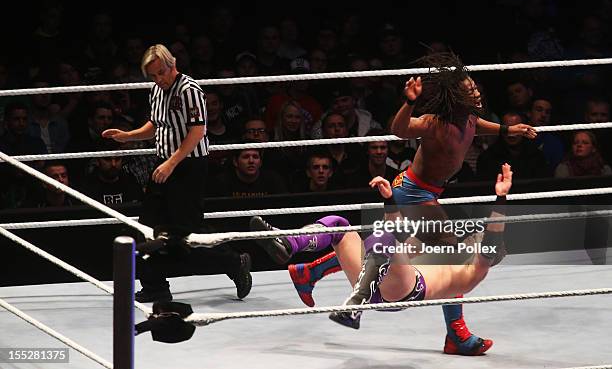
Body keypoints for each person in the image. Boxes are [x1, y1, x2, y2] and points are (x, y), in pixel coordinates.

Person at [339, 53, 535, 354]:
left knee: (416, 247)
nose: (477, 92)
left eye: (476, 87)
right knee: (450, 251)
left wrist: (509, 130)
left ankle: (316, 267)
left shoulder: (469, 117)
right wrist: (409, 102)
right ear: (456, 97)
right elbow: (400, 130)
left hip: (429, 192)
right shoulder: (434, 123)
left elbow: (477, 126)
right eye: (470, 90)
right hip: (411, 191)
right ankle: (455, 334)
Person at [253, 163, 512, 355]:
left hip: (403, 290)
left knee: (390, 237)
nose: (473, 234)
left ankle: (354, 304)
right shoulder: (446, 252)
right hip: (383, 279)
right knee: (339, 227)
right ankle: (288, 243)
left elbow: (490, 242)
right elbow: (399, 233)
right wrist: (389, 201)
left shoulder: (473, 270)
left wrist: (500, 200)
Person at [102, 44, 251, 302]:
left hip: (188, 167)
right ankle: (154, 286)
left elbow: (197, 132)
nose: (158, 79)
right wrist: (128, 136)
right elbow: (156, 124)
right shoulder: (157, 91)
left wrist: (172, 163)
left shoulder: (190, 90)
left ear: (172, 65)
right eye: (153, 76)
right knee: (147, 227)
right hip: (164, 164)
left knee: (183, 236)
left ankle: (234, 262)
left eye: (161, 72)